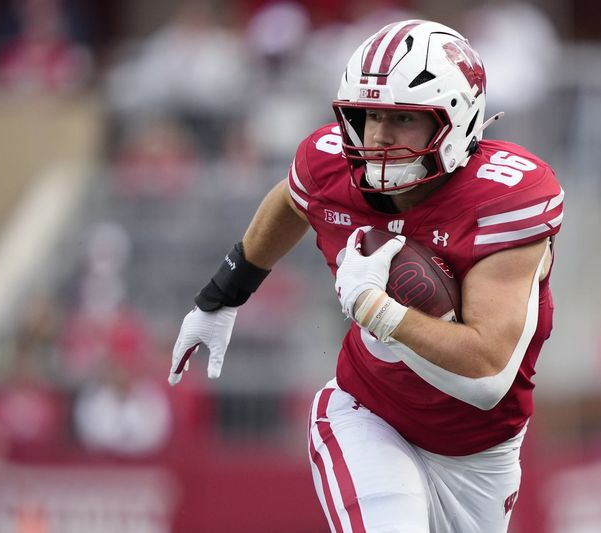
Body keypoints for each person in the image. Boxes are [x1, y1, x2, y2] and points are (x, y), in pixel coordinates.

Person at [169, 19, 564, 532]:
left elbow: (487, 375)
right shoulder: (331, 164)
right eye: (370, 115)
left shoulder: (504, 196)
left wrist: (378, 311)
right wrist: (222, 294)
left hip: (481, 451)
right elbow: (291, 199)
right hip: (368, 413)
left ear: (457, 119)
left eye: (402, 120)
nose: (378, 135)